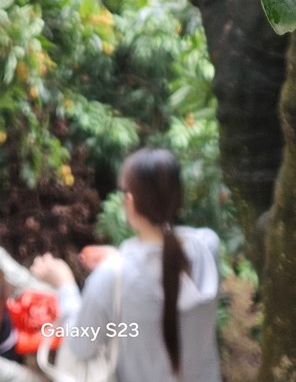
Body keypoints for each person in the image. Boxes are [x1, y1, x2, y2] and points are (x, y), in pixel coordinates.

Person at [31, 148, 222, 382]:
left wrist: (65, 285)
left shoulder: (110, 279)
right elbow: (163, 266)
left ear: (130, 202)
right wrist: (120, 259)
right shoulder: (208, 247)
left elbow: (80, 345)